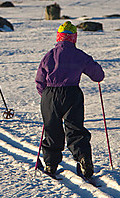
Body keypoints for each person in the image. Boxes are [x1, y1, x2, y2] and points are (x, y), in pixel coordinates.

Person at [35, 21, 105, 180]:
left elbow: (39, 80)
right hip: (72, 93)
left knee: (52, 129)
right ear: (74, 38)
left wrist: (45, 97)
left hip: (50, 94)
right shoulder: (80, 55)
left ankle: (50, 164)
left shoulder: (49, 55)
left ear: (58, 37)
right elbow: (98, 76)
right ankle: (83, 158)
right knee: (75, 128)